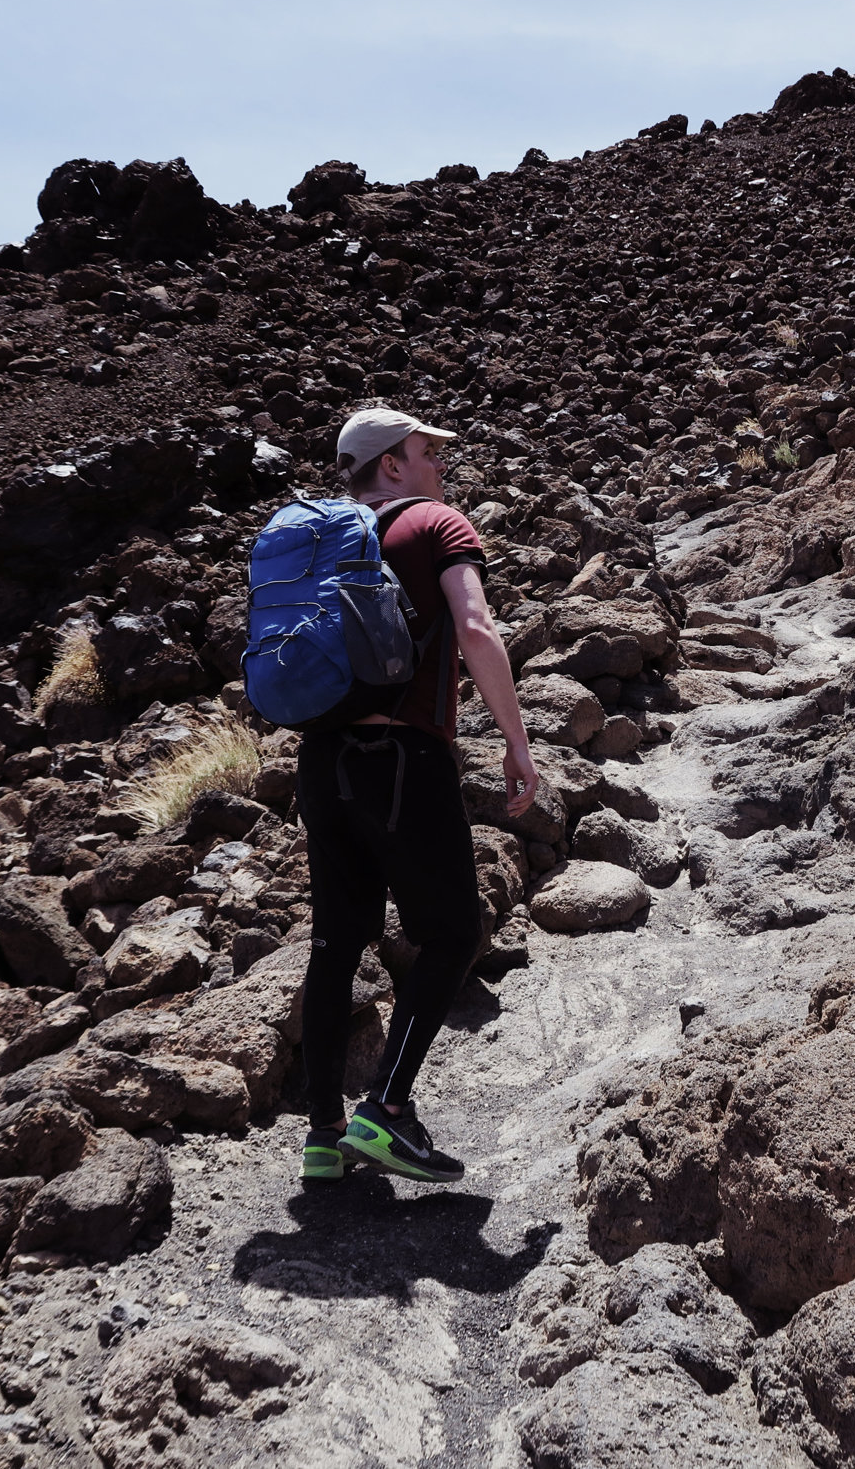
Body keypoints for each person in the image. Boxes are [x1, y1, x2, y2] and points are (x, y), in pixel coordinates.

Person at [297, 407, 539, 1184]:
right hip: (405, 758)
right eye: (427, 451)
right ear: (392, 465)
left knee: (336, 944)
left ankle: (323, 1138)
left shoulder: (314, 541)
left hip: (321, 762)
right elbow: (475, 629)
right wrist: (517, 741)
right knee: (454, 931)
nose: (440, 463)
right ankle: (387, 1110)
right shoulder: (435, 523)